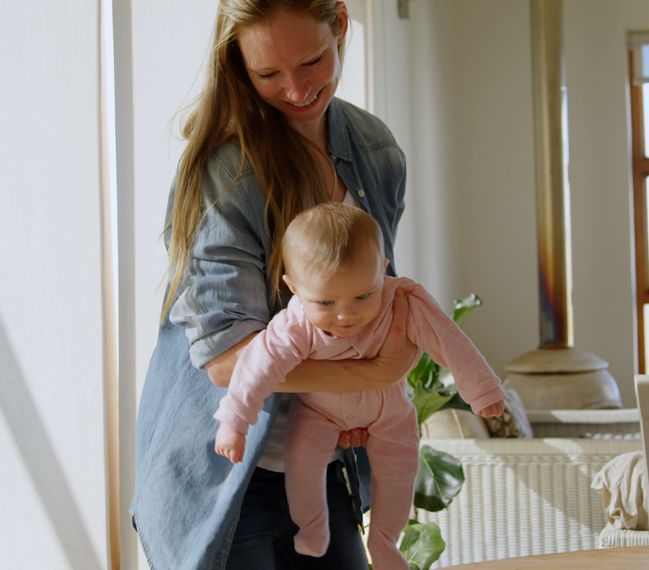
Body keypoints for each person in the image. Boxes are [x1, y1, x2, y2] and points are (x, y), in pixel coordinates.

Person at [131, 1, 419, 568]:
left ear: (339, 23)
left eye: (311, 61)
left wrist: (364, 400)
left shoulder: (376, 151)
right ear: (239, 65)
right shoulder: (229, 171)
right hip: (223, 475)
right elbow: (225, 359)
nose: (294, 90)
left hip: (319, 466)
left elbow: (369, 302)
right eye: (267, 74)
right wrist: (373, 373)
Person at [213, 203, 506, 569]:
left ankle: (384, 540)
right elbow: (255, 368)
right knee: (302, 462)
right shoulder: (296, 324)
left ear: (382, 271)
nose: (346, 315)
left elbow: (450, 341)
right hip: (320, 412)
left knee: (399, 473)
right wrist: (234, 421)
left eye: (363, 296)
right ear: (293, 288)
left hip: (391, 412)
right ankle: (313, 526)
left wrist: (483, 390)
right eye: (325, 302)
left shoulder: (403, 301)